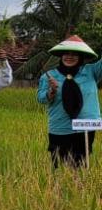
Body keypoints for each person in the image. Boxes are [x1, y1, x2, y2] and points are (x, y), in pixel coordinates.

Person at [37, 35, 102, 169]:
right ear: (61, 56)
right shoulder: (49, 76)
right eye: (66, 53)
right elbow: (40, 98)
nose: (69, 57)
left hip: (84, 128)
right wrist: (51, 92)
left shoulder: (91, 71)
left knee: (82, 166)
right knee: (60, 168)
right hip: (60, 127)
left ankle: (79, 190)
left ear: (81, 56)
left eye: (74, 54)